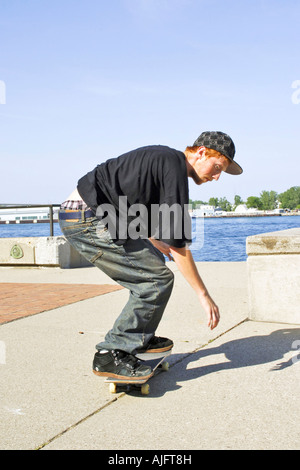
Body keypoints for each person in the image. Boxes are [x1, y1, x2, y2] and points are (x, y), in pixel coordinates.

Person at [59, 131, 243, 381]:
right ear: (201, 152)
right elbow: (179, 246)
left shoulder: (165, 160)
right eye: (217, 166)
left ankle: (139, 337)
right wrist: (204, 295)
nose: (217, 176)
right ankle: (111, 352)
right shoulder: (174, 168)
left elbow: (128, 195)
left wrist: (154, 239)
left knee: (155, 264)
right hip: (86, 218)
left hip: (94, 214)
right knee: (156, 280)